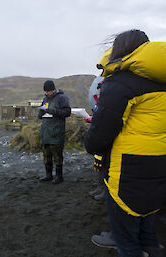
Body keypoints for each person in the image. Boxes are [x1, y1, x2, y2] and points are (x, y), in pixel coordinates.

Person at [85, 29, 166, 257]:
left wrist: (90, 144)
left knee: (126, 239)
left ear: (119, 50)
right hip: (160, 161)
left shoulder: (121, 81)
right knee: (148, 228)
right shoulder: (162, 81)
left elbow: (103, 130)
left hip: (128, 168)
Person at [38, 80, 71, 184]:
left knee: (57, 156)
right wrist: (40, 113)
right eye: (45, 92)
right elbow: (40, 116)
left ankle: (59, 176)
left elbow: (67, 112)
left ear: (53, 89)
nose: (47, 93)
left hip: (56, 133)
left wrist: (54, 112)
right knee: (46, 155)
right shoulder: (45, 99)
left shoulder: (62, 98)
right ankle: (48, 175)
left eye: (48, 91)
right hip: (45, 133)